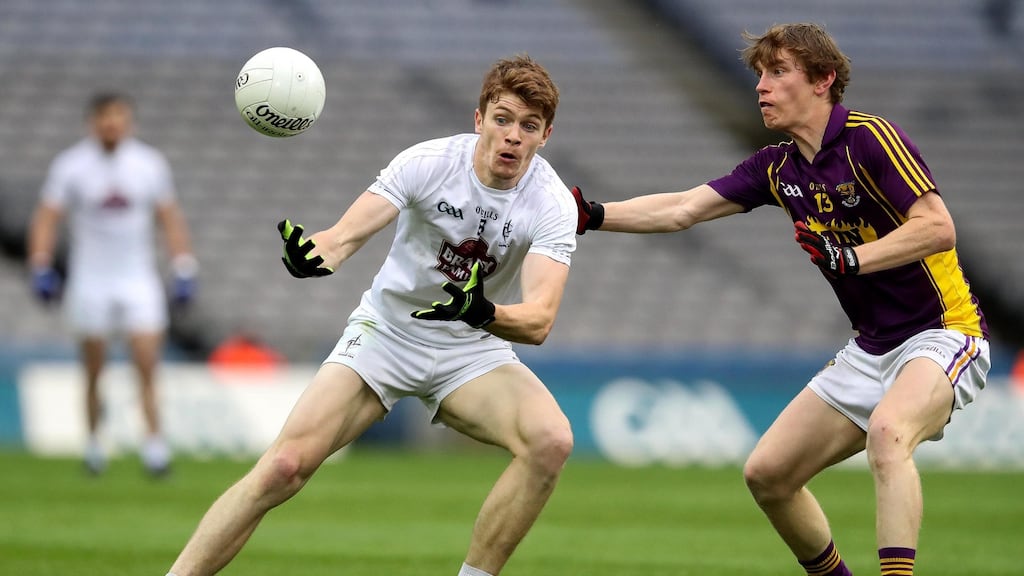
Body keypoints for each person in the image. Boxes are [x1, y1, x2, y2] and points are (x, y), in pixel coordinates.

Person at [573, 23, 990, 576]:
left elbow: (937, 227)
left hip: (944, 333)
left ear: (823, 80)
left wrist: (853, 259)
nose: (761, 87)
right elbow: (682, 209)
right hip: (872, 349)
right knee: (768, 474)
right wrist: (594, 214)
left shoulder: (870, 139)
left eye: (777, 72)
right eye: (759, 76)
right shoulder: (778, 167)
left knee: (889, 436)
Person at [165, 54, 576, 576]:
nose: (513, 136)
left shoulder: (551, 202)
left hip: (468, 349)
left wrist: (481, 311)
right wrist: (310, 257)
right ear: (479, 120)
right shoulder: (427, 163)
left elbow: (539, 320)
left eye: (529, 126)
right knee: (284, 467)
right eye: (502, 118)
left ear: (545, 136)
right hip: (387, 335)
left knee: (552, 441)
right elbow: (340, 240)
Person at [28, 92, 196, 477]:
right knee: (93, 367)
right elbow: (46, 218)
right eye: (105, 117)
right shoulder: (71, 166)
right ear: (93, 122)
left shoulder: (148, 164)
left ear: (128, 122)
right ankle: (93, 444)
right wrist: (40, 264)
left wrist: (184, 265)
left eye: (118, 117)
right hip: (91, 279)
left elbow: (169, 217)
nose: (111, 124)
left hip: (138, 278)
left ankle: (154, 447)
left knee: (147, 363)